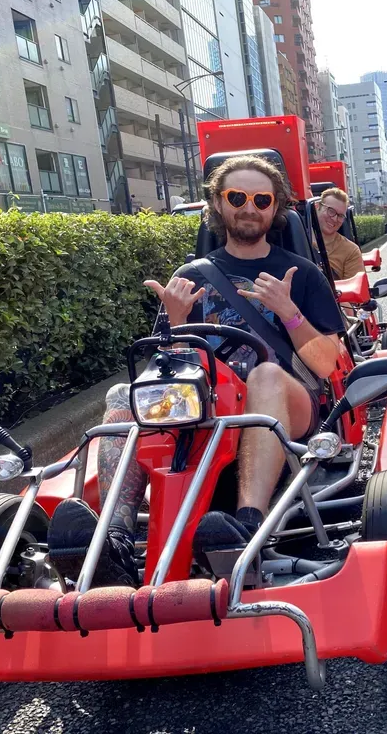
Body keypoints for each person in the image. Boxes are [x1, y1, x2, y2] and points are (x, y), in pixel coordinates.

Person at [47, 155, 346, 586]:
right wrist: (176, 322)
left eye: (261, 200)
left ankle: (246, 527)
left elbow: (325, 363)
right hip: (204, 406)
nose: (249, 208)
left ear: (275, 208)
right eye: (237, 197)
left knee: (263, 375)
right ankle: (115, 541)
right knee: (123, 396)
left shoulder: (302, 275)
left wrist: (289, 312)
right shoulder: (190, 276)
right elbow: (166, 371)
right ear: (218, 204)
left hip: (284, 403)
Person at [314, 187, 364, 281]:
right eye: (331, 211)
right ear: (317, 207)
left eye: (340, 216)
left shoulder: (350, 251)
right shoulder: (296, 240)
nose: (334, 219)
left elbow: (354, 287)